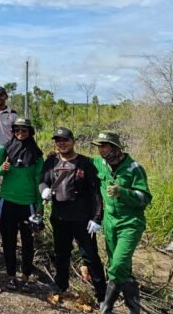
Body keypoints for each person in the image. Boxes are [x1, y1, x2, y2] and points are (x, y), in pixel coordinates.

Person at [40, 127, 106, 305]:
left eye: (65, 139)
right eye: (58, 140)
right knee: (61, 254)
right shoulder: (52, 161)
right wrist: (44, 190)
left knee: (91, 257)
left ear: (73, 141)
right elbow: (43, 180)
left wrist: (97, 218)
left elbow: (96, 193)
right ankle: (60, 287)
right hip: (59, 218)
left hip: (83, 220)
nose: (61, 143)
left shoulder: (86, 163)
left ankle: (102, 296)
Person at [92, 131, 152, 314]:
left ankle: (106, 308)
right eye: (99, 146)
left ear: (115, 147)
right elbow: (80, 163)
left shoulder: (134, 168)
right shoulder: (100, 163)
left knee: (117, 265)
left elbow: (145, 198)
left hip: (130, 223)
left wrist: (123, 192)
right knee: (121, 266)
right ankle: (134, 310)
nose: (101, 150)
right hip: (110, 224)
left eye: (105, 146)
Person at [0, 117, 44, 292]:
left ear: (30, 133)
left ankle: (26, 277)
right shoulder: (5, 149)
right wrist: (2, 169)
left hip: (28, 203)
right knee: (8, 241)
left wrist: (40, 206)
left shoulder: (37, 155)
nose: (20, 134)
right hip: (7, 201)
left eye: (24, 130)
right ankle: (11, 277)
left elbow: (39, 181)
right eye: (17, 130)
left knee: (27, 242)